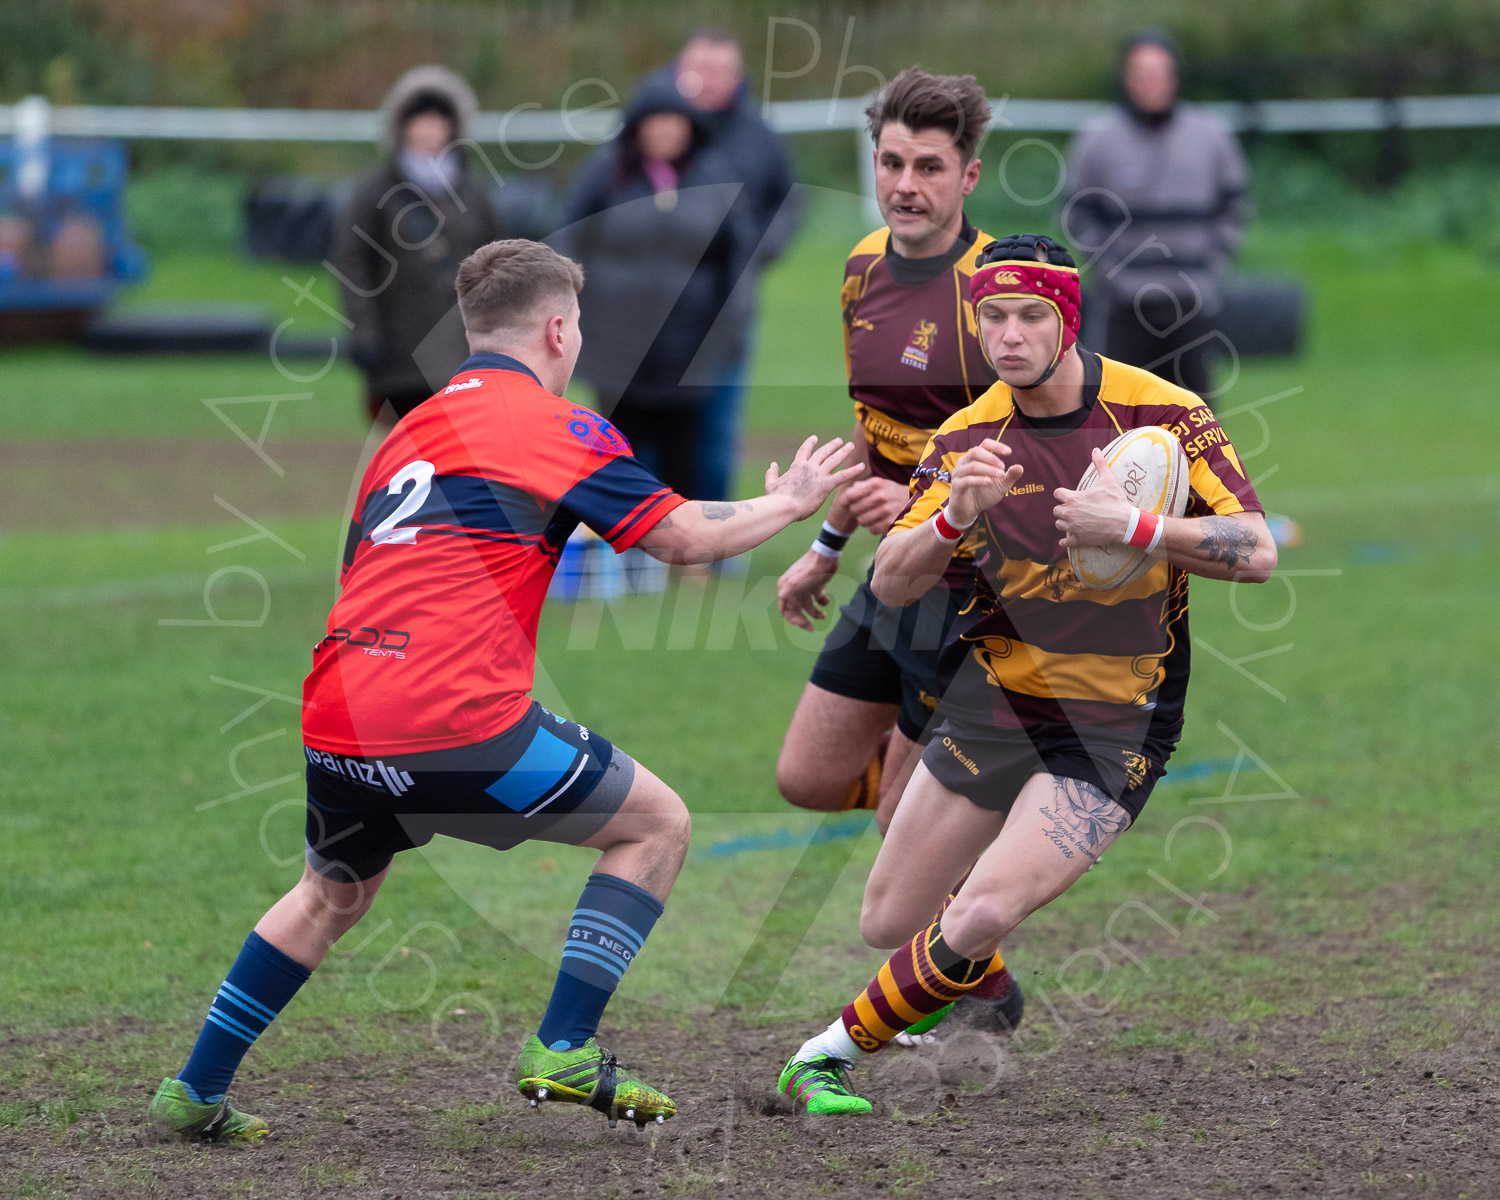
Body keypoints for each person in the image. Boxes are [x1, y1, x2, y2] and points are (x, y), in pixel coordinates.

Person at [148, 238, 861, 1145]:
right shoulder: (554, 427)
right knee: (656, 824)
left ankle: (195, 1088)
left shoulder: (407, 431)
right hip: (452, 719)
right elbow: (681, 539)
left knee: (330, 894)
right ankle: (564, 1043)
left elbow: (356, 571)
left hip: (339, 714)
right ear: (559, 329)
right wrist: (793, 503)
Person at [775, 233, 1275, 1114]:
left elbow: (1257, 551)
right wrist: (952, 516)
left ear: (1067, 320)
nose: (1008, 336)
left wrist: (1135, 529)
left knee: (978, 915)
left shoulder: (1162, 414)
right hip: (995, 699)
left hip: (1114, 721)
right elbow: (893, 579)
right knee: (890, 921)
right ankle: (966, 989)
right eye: (992, 316)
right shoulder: (968, 436)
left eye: (1030, 316)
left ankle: (821, 1057)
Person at [772, 67, 1022, 1042]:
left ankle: (980, 984)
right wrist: (830, 541)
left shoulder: (1001, 295)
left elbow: (1037, 453)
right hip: (890, 573)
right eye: (890, 162)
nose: (905, 183)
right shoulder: (862, 268)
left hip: (979, 589)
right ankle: (955, 820)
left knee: (897, 839)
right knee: (807, 774)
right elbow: (876, 432)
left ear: (969, 174)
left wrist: (922, 504)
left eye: (929, 166)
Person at [556, 75, 755, 499]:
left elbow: (737, 260)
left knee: (685, 450)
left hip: (690, 342)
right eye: (656, 121)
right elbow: (568, 239)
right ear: (638, 126)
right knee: (616, 448)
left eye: (675, 121)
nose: (665, 131)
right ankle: (620, 548)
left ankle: (686, 552)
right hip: (616, 342)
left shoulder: (715, 179)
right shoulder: (606, 175)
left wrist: (732, 327)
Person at [643, 30, 801, 502]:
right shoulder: (644, 134)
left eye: (719, 71)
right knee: (640, 433)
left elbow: (787, 205)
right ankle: (642, 547)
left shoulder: (760, 140)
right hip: (647, 316)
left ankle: (717, 546)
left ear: (738, 78)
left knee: (714, 432)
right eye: (697, 69)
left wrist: (752, 254)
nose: (707, 81)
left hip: (725, 315)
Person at [1060, 31, 1249, 399]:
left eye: (1159, 72)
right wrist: (1111, 273)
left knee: (1196, 421)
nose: (1151, 82)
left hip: (1191, 305)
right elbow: (1077, 214)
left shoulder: (1210, 136)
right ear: (1126, 77)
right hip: (1124, 308)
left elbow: (1235, 206)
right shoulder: (1097, 139)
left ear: (1175, 77)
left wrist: (1212, 264)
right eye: (1141, 72)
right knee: (1118, 415)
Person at [332, 66, 504, 425]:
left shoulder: (476, 195)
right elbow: (353, 264)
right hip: (399, 354)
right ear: (402, 127)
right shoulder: (373, 193)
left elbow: (497, 263)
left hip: (462, 351)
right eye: (419, 121)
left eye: (437, 121)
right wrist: (363, 331)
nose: (428, 131)